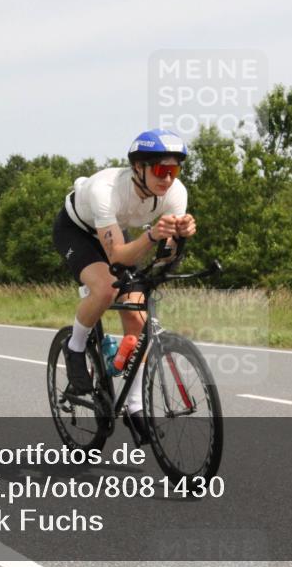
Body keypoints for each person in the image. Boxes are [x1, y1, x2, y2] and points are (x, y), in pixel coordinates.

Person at [51, 129, 196, 439]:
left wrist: (178, 238)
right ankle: (75, 346)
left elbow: (164, 255)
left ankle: (133, 406)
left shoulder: (176, 193)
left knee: (137, 319)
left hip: (115, 230)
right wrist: (153, 235)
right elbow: (118, 255)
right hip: (76, 230)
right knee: (105, 288)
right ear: (138, 168)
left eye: (174, 170)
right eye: (160, 169)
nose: (168, 178)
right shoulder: (106, 189)